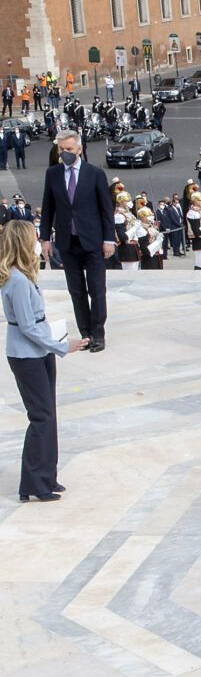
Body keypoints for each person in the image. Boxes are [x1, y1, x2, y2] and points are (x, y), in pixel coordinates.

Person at [2, 220, 89, 502]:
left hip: (38, 352)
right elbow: (27, 326)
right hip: (27, 355)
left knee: (47, 415)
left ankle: (46, 477)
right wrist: (63, 346)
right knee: (41, 417)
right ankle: (34, 483)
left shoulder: (25, 276)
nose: (39, 243)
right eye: (35, 238)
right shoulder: (16, 280)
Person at [39, 130, 113, 353]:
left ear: (79, 150)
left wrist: (109, 240)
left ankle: (98, 333)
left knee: (97, 289)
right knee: (76, 290)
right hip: (66, 241)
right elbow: (48, 208)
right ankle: (86, 334)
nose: (65, 153)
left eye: (69, 149)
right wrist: (45, 239)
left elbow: (106, 209)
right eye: (61, 149)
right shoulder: (52, 174)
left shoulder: (95, 174)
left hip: (93, 241)